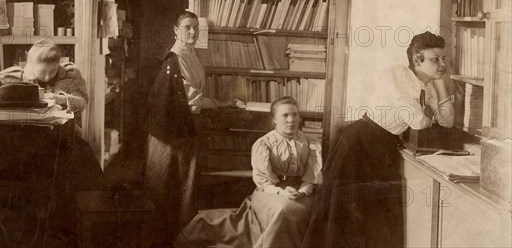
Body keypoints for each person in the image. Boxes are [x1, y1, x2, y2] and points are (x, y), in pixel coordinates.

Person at [301, 31, 455, 248]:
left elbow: (447, 122)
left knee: (373, 217)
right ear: (416, 60)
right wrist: (433, 111)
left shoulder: (426, 87)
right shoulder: (400, 76)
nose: (442, 64)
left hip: (381, 147)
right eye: (435, 59)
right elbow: (418, 122)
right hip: (358, 143)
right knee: (346, 216)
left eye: (444, 59)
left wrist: (440, 87)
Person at [0, 40, 105, 246]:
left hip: (64, 138)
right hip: (29, 140)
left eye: (51, 73)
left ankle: (74, 225)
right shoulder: (15, 75)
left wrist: (63, 99)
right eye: (41, 73)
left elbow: (83, 101)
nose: (46, 78)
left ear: (59, 65)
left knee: (80, 168)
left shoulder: (71, 75)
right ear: (29, 66)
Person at [143, 10, 239, 246]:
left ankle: (181, 239)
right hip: (169, 135)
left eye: (195, 27)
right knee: (166, 186)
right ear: (176, 31)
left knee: (185, 185)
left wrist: (218, 103)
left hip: (185, 128)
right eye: (187, 27)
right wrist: (220, 104)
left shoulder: (191, 55)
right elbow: (192, 100)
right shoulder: (174, 58)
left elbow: (195, 96)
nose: (192, 31)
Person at [175, 96, 322, 248]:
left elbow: (310, 178)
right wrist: (282, 192)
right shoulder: (264, 144)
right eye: (285, 115)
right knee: (284, 209)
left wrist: (303, 192)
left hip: (301, 191)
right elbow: (264, 182)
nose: (291, 120)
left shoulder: (311, 143)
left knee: (310, 210)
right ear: (274, 120)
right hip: (270, 191)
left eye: (295, 115)